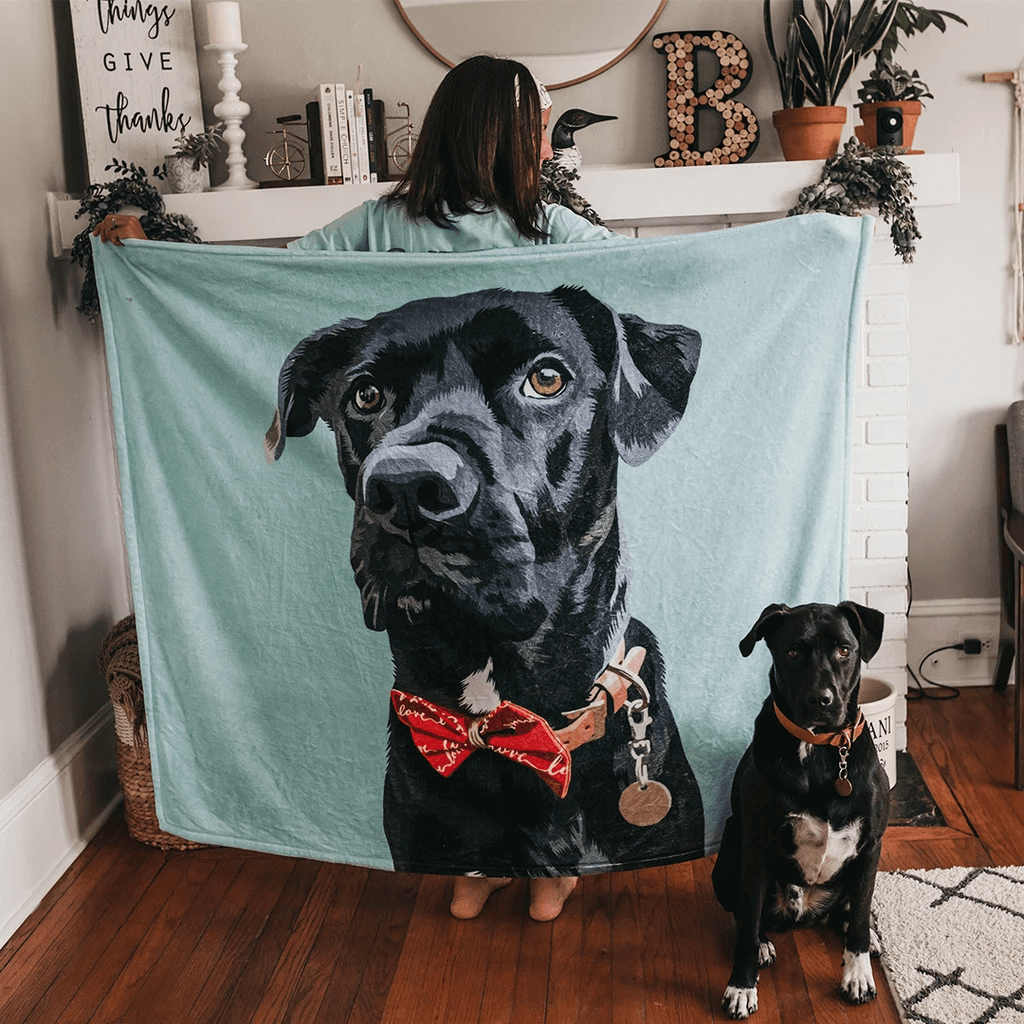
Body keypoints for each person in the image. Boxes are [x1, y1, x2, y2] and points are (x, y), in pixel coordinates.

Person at [94, 54, 623, 923]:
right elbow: (660, 271)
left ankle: (475, 865)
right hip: (478, 524)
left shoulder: (377, 226)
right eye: (537, 123)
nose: (542, 138)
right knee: (503, 668)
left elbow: (263, 286)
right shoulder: (553, 230)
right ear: (512, 135)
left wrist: (154, 257)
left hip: (463, 517)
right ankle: (540, 870)